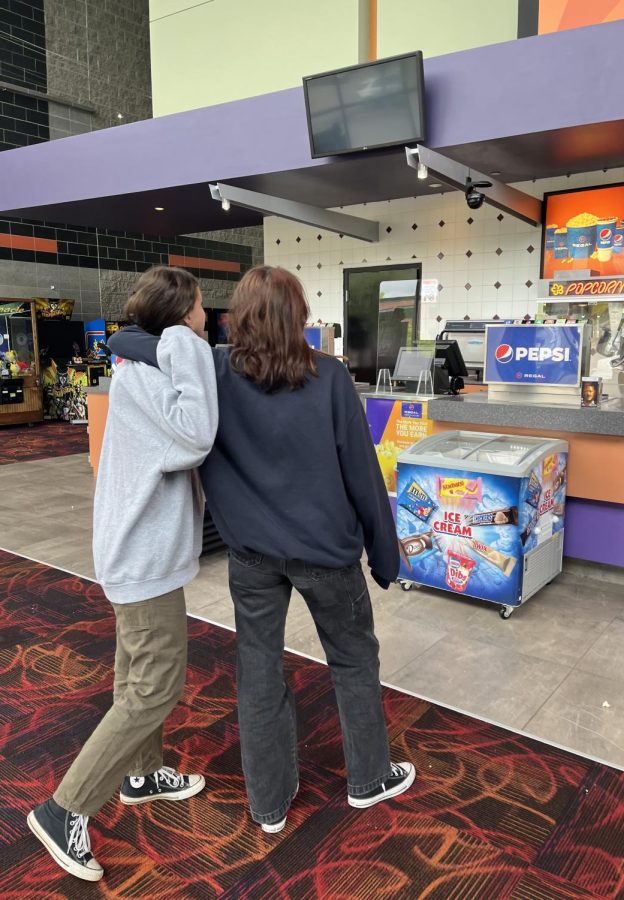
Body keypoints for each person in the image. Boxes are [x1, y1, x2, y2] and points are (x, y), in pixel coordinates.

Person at [109, 265, 416, 835]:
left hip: (250, 554)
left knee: (258, 671)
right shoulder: (329, 376)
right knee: (353, 660)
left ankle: (268, 804)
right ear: (299, 317)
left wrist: (138, 333)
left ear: (237, 318)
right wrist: (385, 553)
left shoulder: (216, 369)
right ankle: (369, 778)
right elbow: (363, 474)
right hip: (328, 553)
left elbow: (128, 339)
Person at [27, 266, 218, 882]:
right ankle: (65, 809)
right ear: (175, 319)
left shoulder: (140, 372)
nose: (207, 318)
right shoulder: (158, 369)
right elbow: (197, 434)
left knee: (136, 672)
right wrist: (184, 346)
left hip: (136, 551)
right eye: (197, 311)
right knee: (155, 686)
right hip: (143, 558)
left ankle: (142, 772)